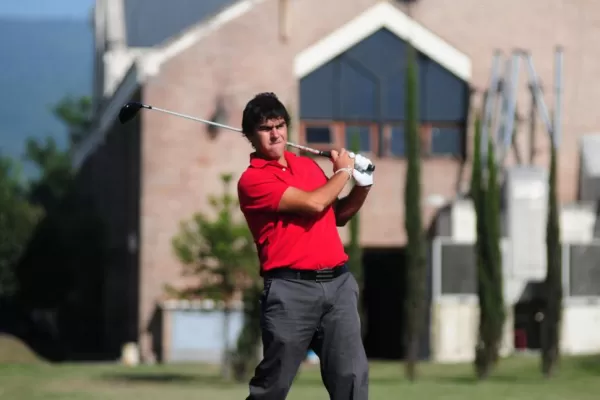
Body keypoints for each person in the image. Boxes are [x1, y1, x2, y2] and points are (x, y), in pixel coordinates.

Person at [237, 92, 374, 400]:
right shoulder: (253, 181)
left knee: (352, 378)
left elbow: (336, 215)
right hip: (290, 291)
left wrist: (362, 186)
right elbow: (314, 203)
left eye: (280, 125)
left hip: (338, 285)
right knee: (273, 385)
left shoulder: (308, 167)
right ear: (249, 135)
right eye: (265, 128)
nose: (275, 134)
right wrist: (343, 171)